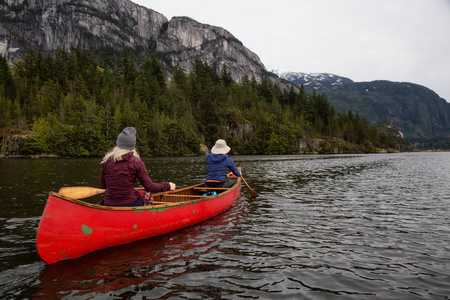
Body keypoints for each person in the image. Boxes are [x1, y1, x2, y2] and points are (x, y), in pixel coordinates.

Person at [100, 127, 176, 207]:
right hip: (130, 204)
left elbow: (103, 185)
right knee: (147, 194)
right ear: (133, 146)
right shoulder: (136, 162)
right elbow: (149, 186)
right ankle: (147, 216)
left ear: (118, 144)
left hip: (108, 203)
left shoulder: (107, 161)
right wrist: (168, 185)